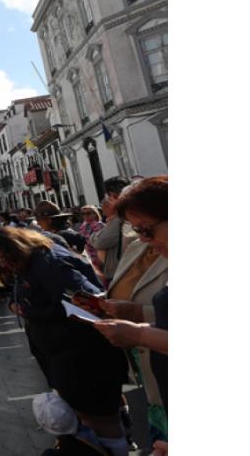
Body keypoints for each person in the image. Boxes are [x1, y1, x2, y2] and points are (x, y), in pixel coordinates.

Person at [0, 227, 129, 455]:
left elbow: (87, 301)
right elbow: (22, 289)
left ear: (15, 246)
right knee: (88, 415)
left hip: (84, 355)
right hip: (64, 354)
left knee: (101, 418)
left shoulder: (50, 264)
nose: (1, 264)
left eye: (2, 257)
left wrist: (31, 311)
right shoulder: (27, 262)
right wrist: (14, 303)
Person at [97, 176, 168, 445]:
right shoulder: (141, 245)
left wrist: (139, 331)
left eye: (147, 229)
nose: (143, 239)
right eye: (137, 230)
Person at [90, 177, 135, 279]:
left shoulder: (121, 219)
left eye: (108, 197)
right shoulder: (120, 217)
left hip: (123, 272)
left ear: (112, 195)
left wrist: (93, 237)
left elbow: (100, 242)